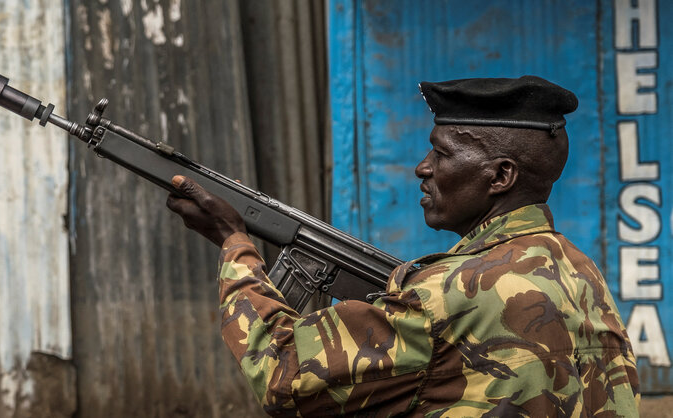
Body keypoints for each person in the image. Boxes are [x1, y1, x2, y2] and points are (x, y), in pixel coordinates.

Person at [166, 76, 640, 416]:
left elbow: (280, 373)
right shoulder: (580, 272)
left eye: (443, 152)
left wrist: (233, 244)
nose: (423, 167)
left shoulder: (447, 293)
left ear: (499, 176)